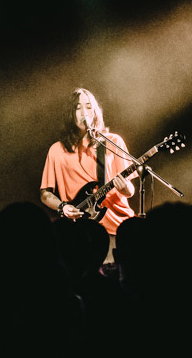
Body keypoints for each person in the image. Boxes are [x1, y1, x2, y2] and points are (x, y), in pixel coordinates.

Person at [40, 88, 136, 258]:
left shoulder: (113, 141)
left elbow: (130, 191)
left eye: (88, 107)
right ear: (70, 114)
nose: (84, 112)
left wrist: (125, 188)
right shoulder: (57, 149)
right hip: (80, 232)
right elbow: (45, 194)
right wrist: (63, 207)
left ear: (95, 112)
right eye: (78, 108)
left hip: (117, 226)